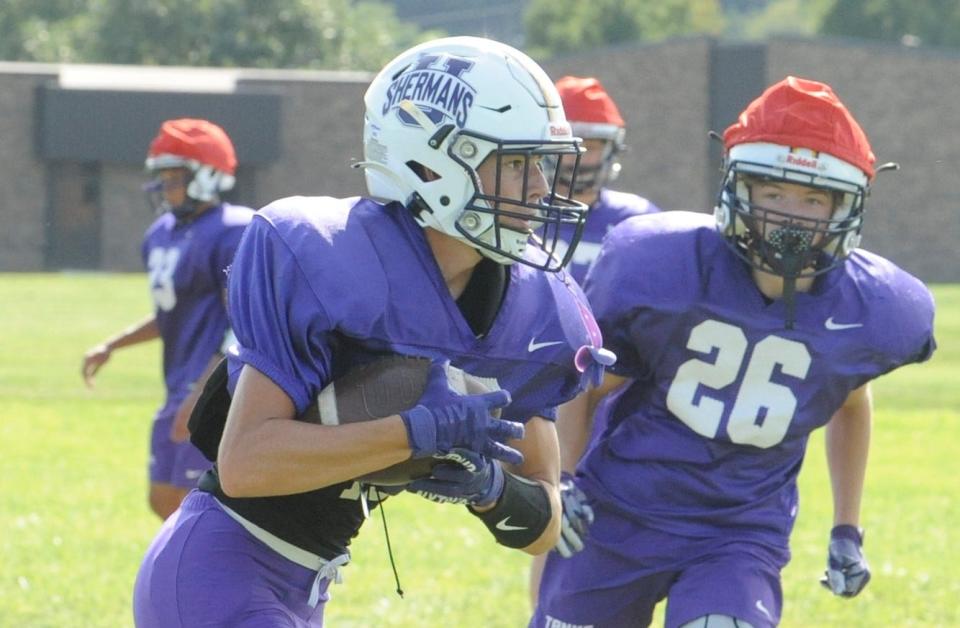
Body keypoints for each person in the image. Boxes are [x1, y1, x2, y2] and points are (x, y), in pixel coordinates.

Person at [133, 36, 614, 627]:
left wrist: (491, 487)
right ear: (432, 161)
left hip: (303, 585)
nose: (539, 186)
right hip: (219, 569)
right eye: (515, 163)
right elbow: (246, 463)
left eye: (539, 163)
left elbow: (543, 523)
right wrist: (414, 433)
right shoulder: (328, 256)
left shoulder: (535, 308)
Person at [530, 76, 936, 627]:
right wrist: (564, 481)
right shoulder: (666, 267)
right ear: (738, 190)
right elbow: (585, 385)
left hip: (739, 530)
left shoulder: (874, 308)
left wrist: (847, 526)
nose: (790, 216)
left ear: (847, 207)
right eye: (772, 193)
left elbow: (849, 401)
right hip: (622, 511)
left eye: (813, 199)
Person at [81, 118, 254, 519]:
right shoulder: (161, 233)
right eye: (162, 176)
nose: (165, 186)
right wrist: (114, 345)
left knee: (205, 507)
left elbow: (242, 323)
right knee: (163, 499)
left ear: (207, 176)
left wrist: (201, 390)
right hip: (178, 383)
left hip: (211, 384)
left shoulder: (233, 230)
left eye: (175, 176)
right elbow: (172, 312)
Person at [551, 76, 660, 284]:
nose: (578, 156)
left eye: (590, 147)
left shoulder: (637, 220)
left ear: (611, 149)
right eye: (568, 145)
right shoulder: (519, 212)